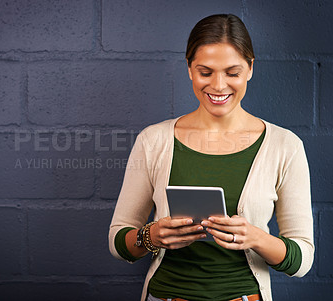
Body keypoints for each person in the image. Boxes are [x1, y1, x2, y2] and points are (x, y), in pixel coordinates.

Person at [108, 14, 314, 301]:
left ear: (250, 68)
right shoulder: (153, 140)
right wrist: (151, 236)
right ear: (189, 69)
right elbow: (118, 243)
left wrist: (255, 238)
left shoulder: (285, 146)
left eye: (232, 72)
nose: (218, 86)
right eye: (206, 72)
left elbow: (302, 260)